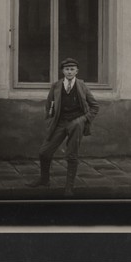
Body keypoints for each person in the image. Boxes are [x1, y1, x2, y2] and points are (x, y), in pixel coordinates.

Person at [27, 57, 100, 196]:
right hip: (59, 123)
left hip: (76, 124)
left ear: (77, 71)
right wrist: (50, 120)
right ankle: (44, 180)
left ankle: (69, 187)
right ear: (62, 71)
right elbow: (49, 105)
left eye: (72, 69)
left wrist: (83, 120)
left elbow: (95, 107)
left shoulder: (82, 86)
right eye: (67, 69)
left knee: (72, 155)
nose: (69, 72)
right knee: (44, 152)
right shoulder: (56, 86)